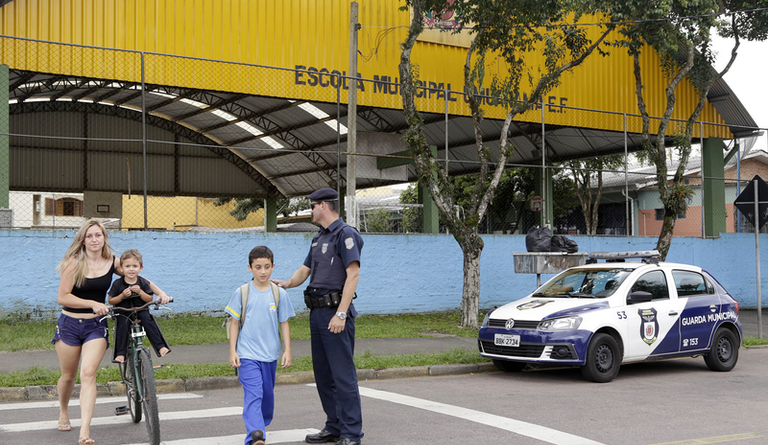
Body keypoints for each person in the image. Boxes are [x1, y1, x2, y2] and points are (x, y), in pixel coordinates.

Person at [273, 188, 364, 445]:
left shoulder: (346, 235)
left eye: (312, 206)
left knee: (342, 375)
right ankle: (334, 426)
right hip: (317, 313)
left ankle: (351, 433)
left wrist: (342, 314)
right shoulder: (318, 238)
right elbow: (305, 270)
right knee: (323, 375)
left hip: (336, 313)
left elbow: (353, 275)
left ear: (323, 206)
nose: (310, 211)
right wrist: (287, 283)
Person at [53, 219, 122, 445]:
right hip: (70, 325)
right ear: (83, 240)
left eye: (98, 235)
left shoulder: (113, 262)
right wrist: (92, 303)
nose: (94, 239)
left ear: (104, 238)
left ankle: (85, 431)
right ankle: (64, 409)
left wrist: (157, 290)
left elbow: (133, 272)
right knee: (68, 376)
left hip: (96, 325)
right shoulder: (74, 263)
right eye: (90, 236)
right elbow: (63, 297)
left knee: (88, 374)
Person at [227, 246, 296, 445]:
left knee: (266, 397)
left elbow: (284, 322)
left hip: (270, 355)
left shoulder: (279, 294)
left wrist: (287, 350)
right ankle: (256, 435)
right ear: (250, 268)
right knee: (254, 393)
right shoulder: (242, 292)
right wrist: (232, 351)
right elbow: (234, 324)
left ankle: (261, 424)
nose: (263, 271)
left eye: (267, 267)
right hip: (247, 354)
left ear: (273, 267)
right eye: (258, 267)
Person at [107, 249, 173, 364]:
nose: (131, 269)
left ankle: (160, 346)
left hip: (141, 310)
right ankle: (120, 353)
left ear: (140, 268)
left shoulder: (142, 282)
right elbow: (111, 300)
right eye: (127, 266)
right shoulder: (118, 283)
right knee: (121, 326)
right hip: (124, 311)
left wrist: (141, 292)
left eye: (135, 266)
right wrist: (122, 295)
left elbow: (149, 298)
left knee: (149, 321)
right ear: (121, 268)